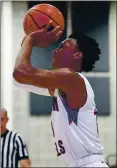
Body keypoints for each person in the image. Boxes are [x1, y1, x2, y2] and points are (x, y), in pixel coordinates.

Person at [12, 20, 109, 167]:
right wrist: (26, 42)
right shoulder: (64, 86)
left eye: (61, 47)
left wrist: (31, 40)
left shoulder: (71, 78)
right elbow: (19, 80)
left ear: (77, 55)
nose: (54, 50)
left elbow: (20, 73)